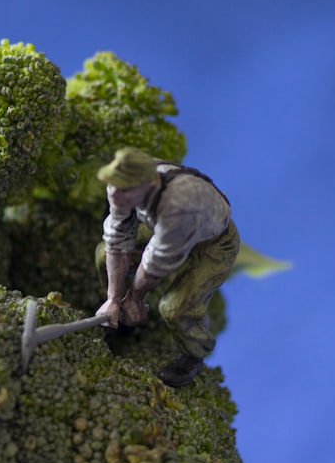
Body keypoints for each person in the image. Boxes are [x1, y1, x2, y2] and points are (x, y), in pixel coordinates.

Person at [95, 146, 239, 387]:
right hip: (159, 226)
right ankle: (119, 315)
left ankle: (194, 354)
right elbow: (117, 238)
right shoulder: (120, 187)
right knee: (103, 255)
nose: (116, 194)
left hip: (213, 244)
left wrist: (135, 298)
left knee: (176, 308)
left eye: (125, 189)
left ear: (148, 185)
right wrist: (114, 298)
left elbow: (155, 264)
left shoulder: (180, 207)